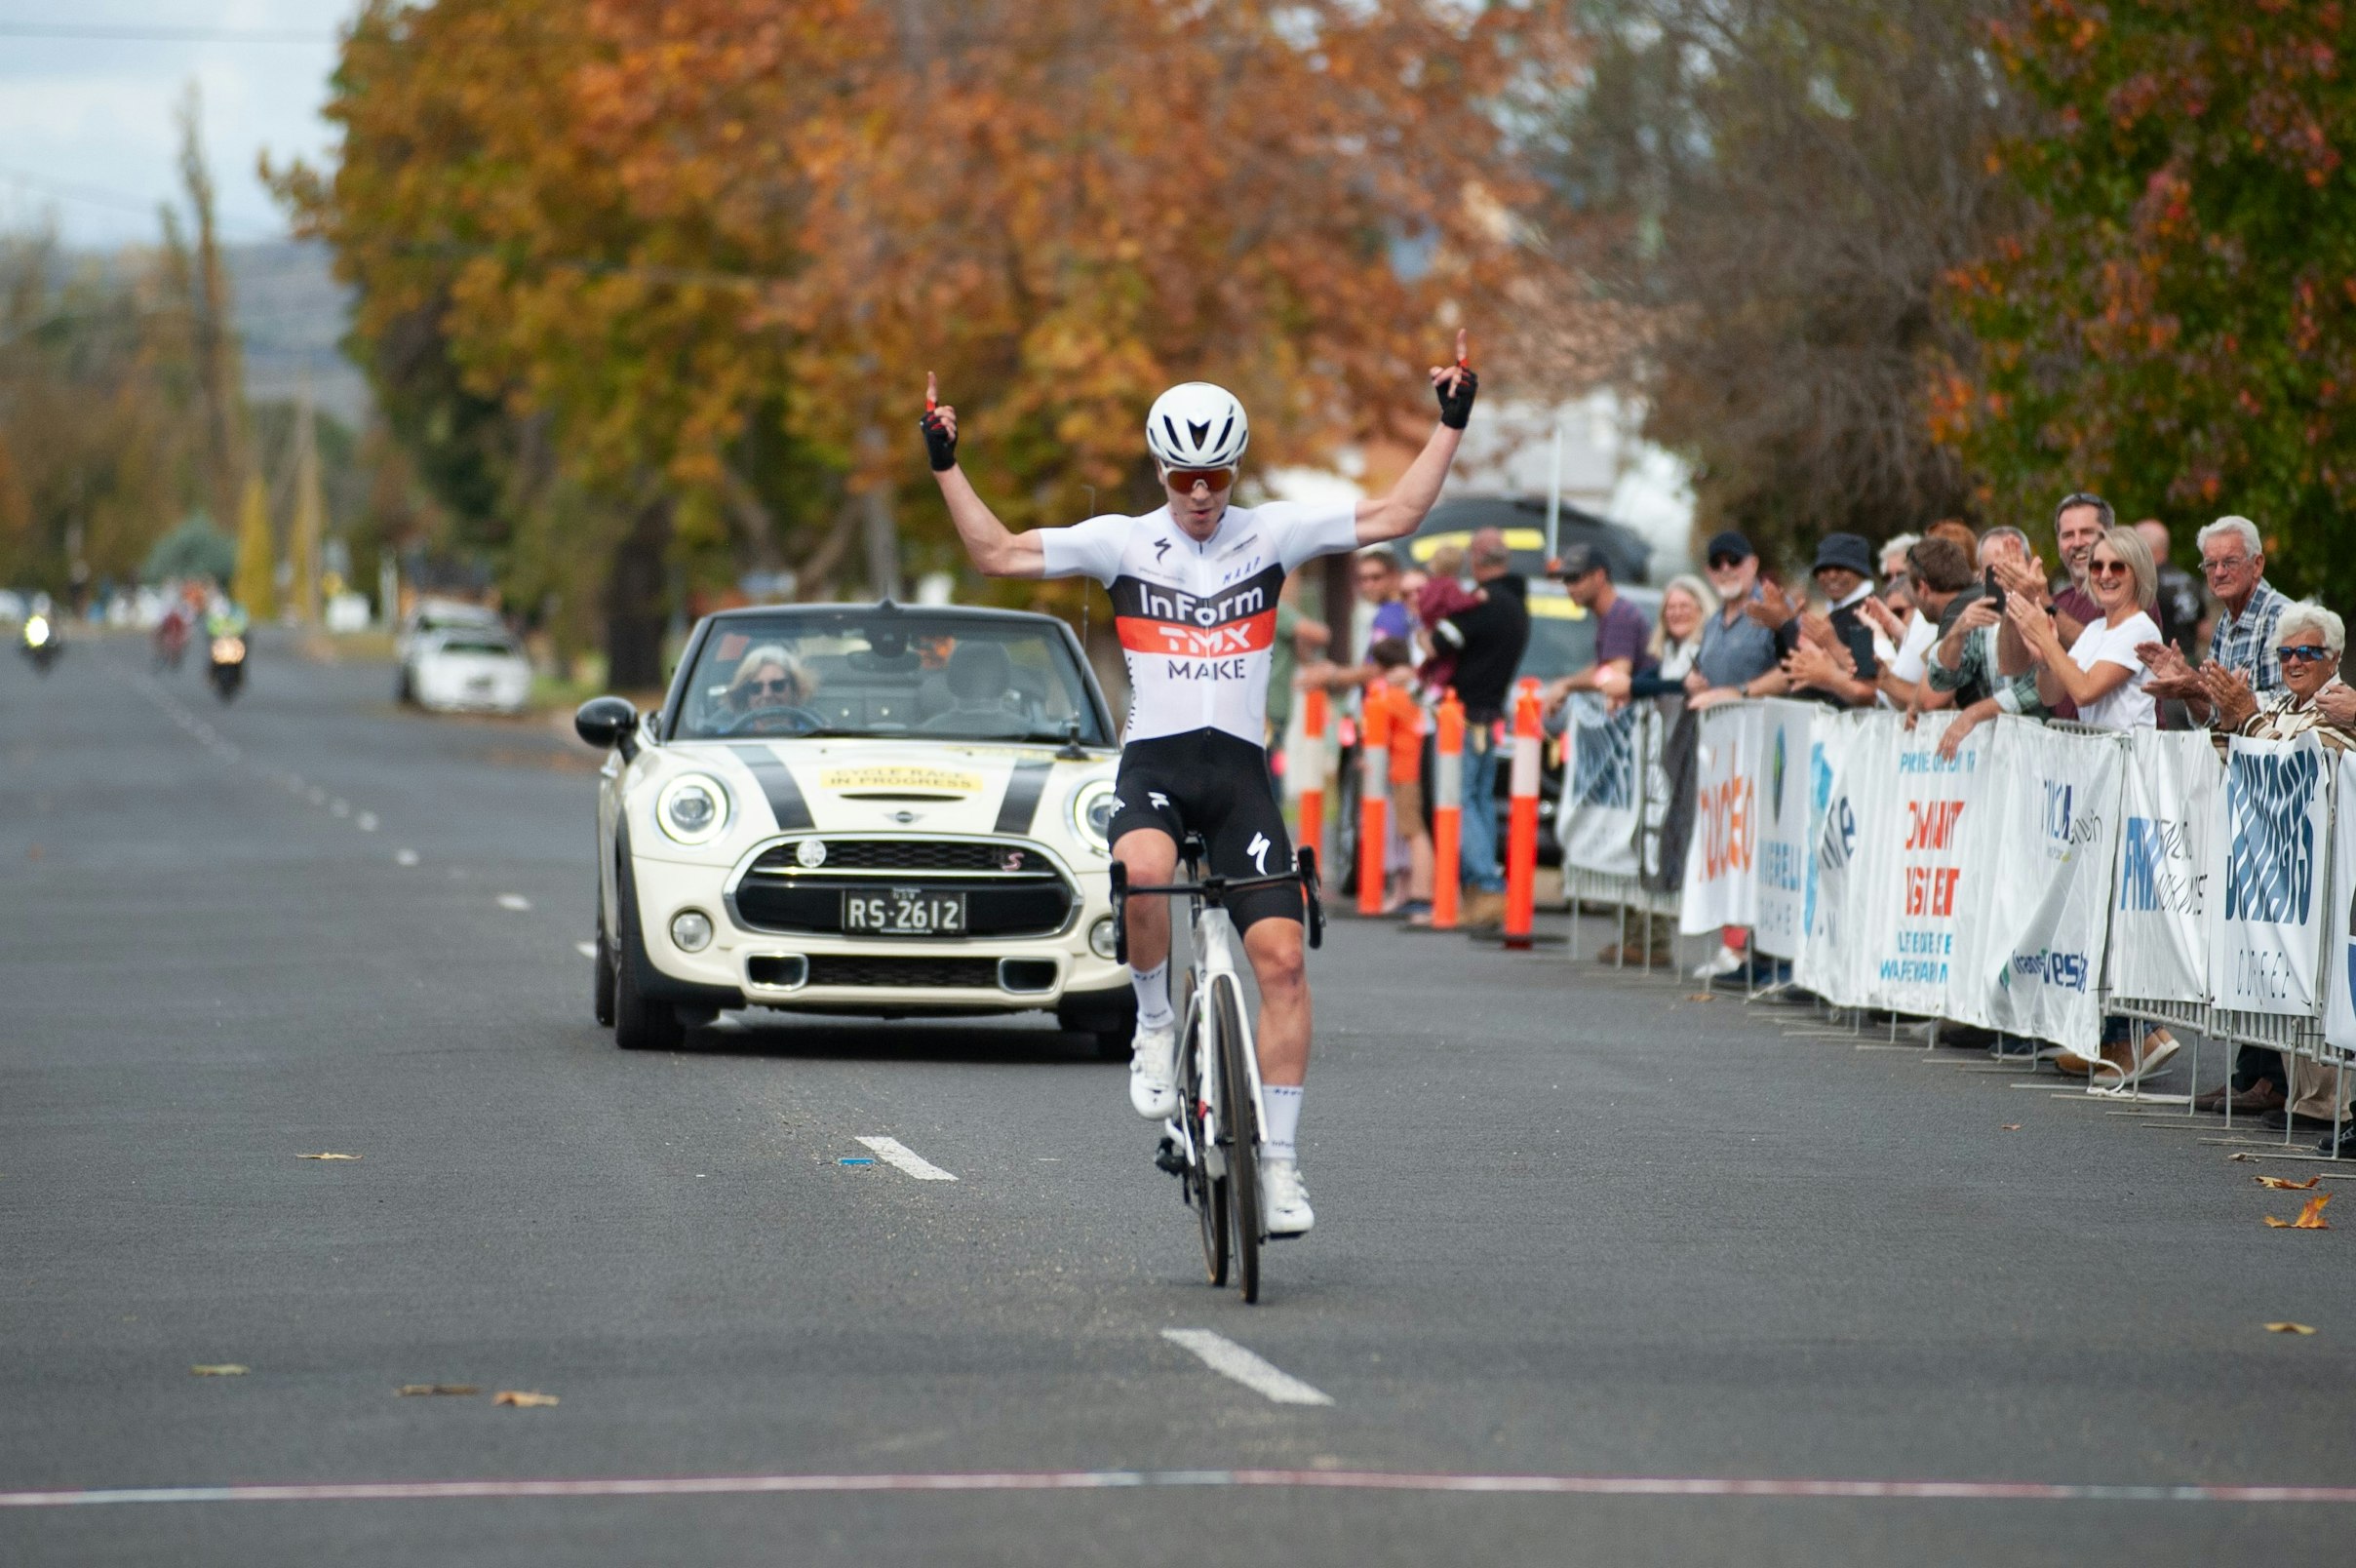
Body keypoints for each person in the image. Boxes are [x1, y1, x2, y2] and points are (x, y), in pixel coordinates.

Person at [920, 339, 1478, 1236]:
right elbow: (995, 553)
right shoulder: (1122, 542)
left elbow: (1400, 511)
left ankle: (1282, 1168)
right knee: (1142, 872)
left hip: (1239, 778)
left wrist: (1451, 420)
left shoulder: (1275, 533)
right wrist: (947, 463)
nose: (1201, 496)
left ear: (1235, 470)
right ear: (1160, 470)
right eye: (1184, 478)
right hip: (1158, 767)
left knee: (1286, 965)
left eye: (1216, 476)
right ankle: (1149, 1021)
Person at [2191, 603, 2356, 1139]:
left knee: (2320, 982)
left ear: (2333, 658)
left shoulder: (2339, 704)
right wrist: (2227, 715)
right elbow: (2234, 755)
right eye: (2286, 653)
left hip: (2322, 868)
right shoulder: (2282, 706)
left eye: (2308, 652)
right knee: (2288, 982)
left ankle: (2327, 1099)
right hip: (2278, 869)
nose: (2295, 661)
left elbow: (2300, 762)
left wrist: (2248, 718)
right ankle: (2298, 1090)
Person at [1426, 529, 1529, 929]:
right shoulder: (1519, 605)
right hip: (1493, 715)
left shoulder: (1484, 604)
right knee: (1482, 799)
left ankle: (1486, 885)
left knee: (1461, 799)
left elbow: (1437, 643)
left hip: (1462, 716)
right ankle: (1482, 888)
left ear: (1477, 559)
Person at [2139, 516, 2293, 725]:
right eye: (2211, 564)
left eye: (2229, 562)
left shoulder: (2282, 618)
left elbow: (2290, 706)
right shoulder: (2227, 620)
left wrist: (2197, 686)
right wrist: (2187, 687)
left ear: (2257, 565)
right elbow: (2214, 721)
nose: (2219, 572)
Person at [1928, 527, 2049, 743]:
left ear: (2030, 567)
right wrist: (1956, 631)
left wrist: (1974, 714)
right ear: (1981, 576)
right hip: (1997, 756)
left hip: (2044, 749)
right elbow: (1942, 681)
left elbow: (2038, 689)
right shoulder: (1981, 620)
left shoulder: (2047, 611)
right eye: (1995, 572)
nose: (2004, 579)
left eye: (2012, 568)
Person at [1364, 639, 1433, 919]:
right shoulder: (1412, 692)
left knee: (1413, 833)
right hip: (1418, 766)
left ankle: (1421, 894)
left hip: (1404, 770)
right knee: (1413, 831)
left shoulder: (1390, 697)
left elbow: (1380, 735)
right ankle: (1412, 892)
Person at [1772, 532, 1881, 707]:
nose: (1831, 576)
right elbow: (1795, 669)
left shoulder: (1866, 612)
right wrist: (1782, 628)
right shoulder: (1837, 613)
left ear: (1861, 571)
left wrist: (1785, 625)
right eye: (1823, 569)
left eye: (1840, 568)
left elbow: (1866, 683)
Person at [1540, 543, 1654, 709]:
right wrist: (1565, 684)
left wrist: (1568, 685)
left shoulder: (1620, 616)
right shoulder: (1613, 613)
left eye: (1575, 578)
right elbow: (1605, 665)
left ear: (1599, 575)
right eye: (1566, 580)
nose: (1569, 588)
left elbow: (1614, 672)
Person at [1689, 530, 1783, 707]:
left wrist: (1739, 692)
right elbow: (1702, 672)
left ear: (1754, 564)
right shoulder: (1712, 623)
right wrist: (1693, 681)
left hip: (1764, 726)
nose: (1726, 569)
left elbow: (1795, 669)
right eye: (1717, 564)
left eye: (1734, 560)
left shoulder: (1775, 608)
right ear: (1709, 572)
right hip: (1719, 726)